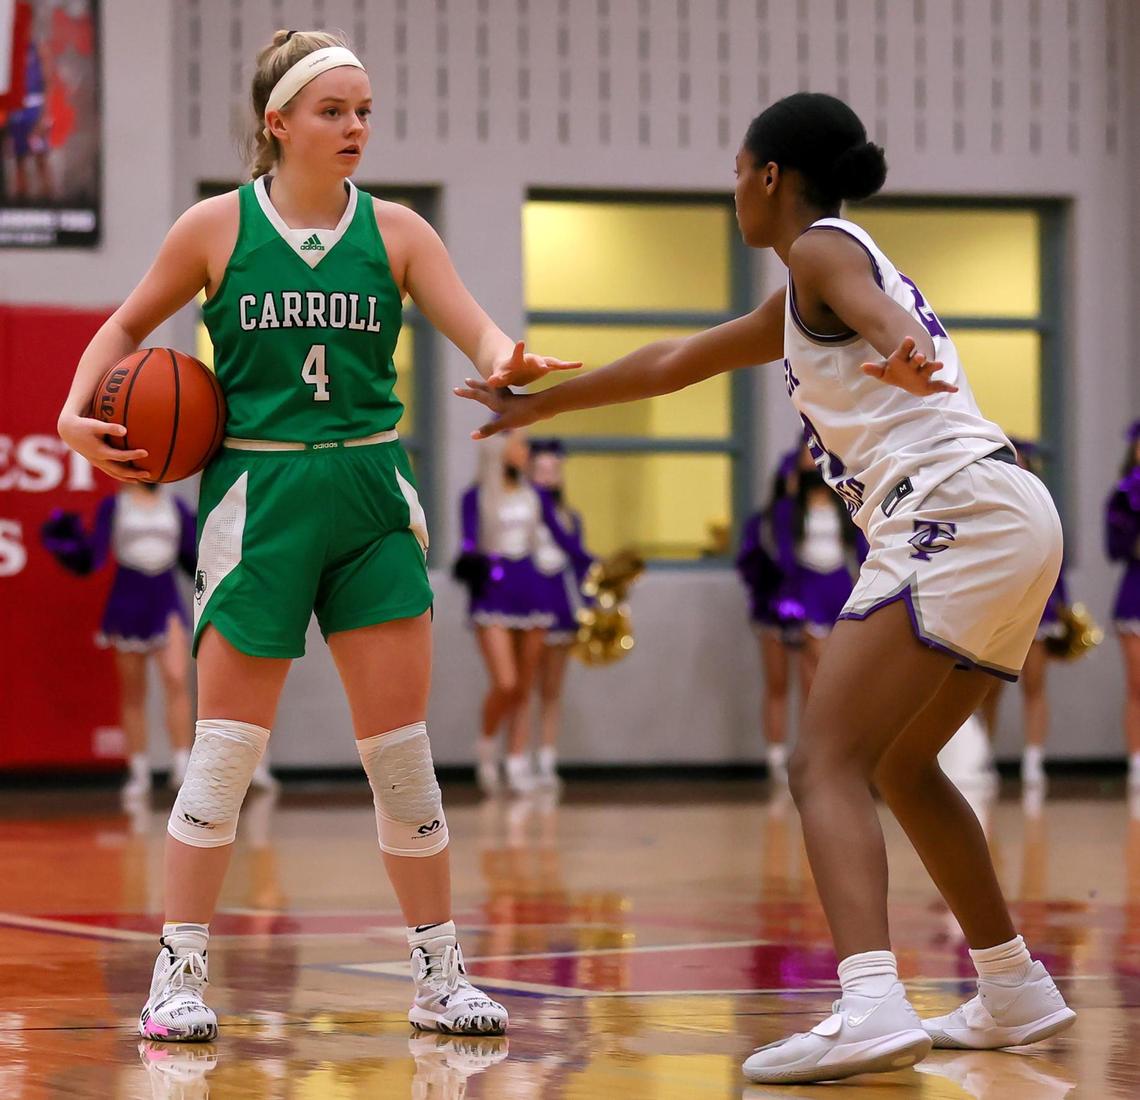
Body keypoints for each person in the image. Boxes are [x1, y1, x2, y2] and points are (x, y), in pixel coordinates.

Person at [457, 92, 1075, 1084]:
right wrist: (538, 403)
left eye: (736, 169)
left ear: (769, 177)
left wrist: (897, 347)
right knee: (906, 766)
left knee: (822, 758)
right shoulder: (799, 296)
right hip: (1008, 512)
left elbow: (874, 315)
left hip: (948, 507)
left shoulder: (825, 249)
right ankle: (1012, 984)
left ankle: (871, 1000)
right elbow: (673, 361)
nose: (732, 189)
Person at [56, 28, 576, 1043]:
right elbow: (123, 330)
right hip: (259, 492)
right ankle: (180, 970)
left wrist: (512, 360)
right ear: (278, 121)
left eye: (365, 111)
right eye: (334, 110)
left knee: (402, 756)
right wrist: (78, 412)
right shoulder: (214, 228)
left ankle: (438, 972)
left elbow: (479, 329)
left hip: (372, 489)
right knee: (222, 755)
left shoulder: (399, 233)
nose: (356, 127)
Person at [40, 483, 200, 797]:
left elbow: (190, 557)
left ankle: (182, 766)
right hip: (127, 599)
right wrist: (67, 543)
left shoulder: (175, 505)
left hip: (165, 597)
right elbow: (94, 554)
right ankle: (138, 771)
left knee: (176, 679)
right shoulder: (114, 505)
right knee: (133, 690)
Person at [456, 432, 554, 795]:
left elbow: (548, 540)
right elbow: (468, 543)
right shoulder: (475, 496)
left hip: (531, 586)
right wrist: (482, 566)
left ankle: (516, 760)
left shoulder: (534, 495)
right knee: (505, 682)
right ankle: (486, 744)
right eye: (520, 443)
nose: (526, 451)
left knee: (525, 686)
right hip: (494, 590)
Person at [977, 440, 1067, 792]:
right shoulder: (992, 509)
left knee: (1035, 683)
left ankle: (1033, 761)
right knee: (988, 687)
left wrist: (1059, 604)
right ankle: (983, 756)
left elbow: (1054, 554)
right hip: (1002, 604)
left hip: (1039, 603)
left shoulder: (1044, 505)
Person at [527, 439, 594, 787]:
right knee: (522, 685)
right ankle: (516, 758)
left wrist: (595, 600)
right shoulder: (524, 510)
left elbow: (579, 563)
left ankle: (547, 758)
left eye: (553, 470)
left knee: (552, 688)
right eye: (540, 469)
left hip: (560, 604)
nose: (547, 476)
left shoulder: (570, 517)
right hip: (530, 602)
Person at [1107, 421, 1140, 788]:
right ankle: (1136, 762)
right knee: (1137, 684)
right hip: (1135, 590)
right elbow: (1114, 549)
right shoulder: (1124, 494)